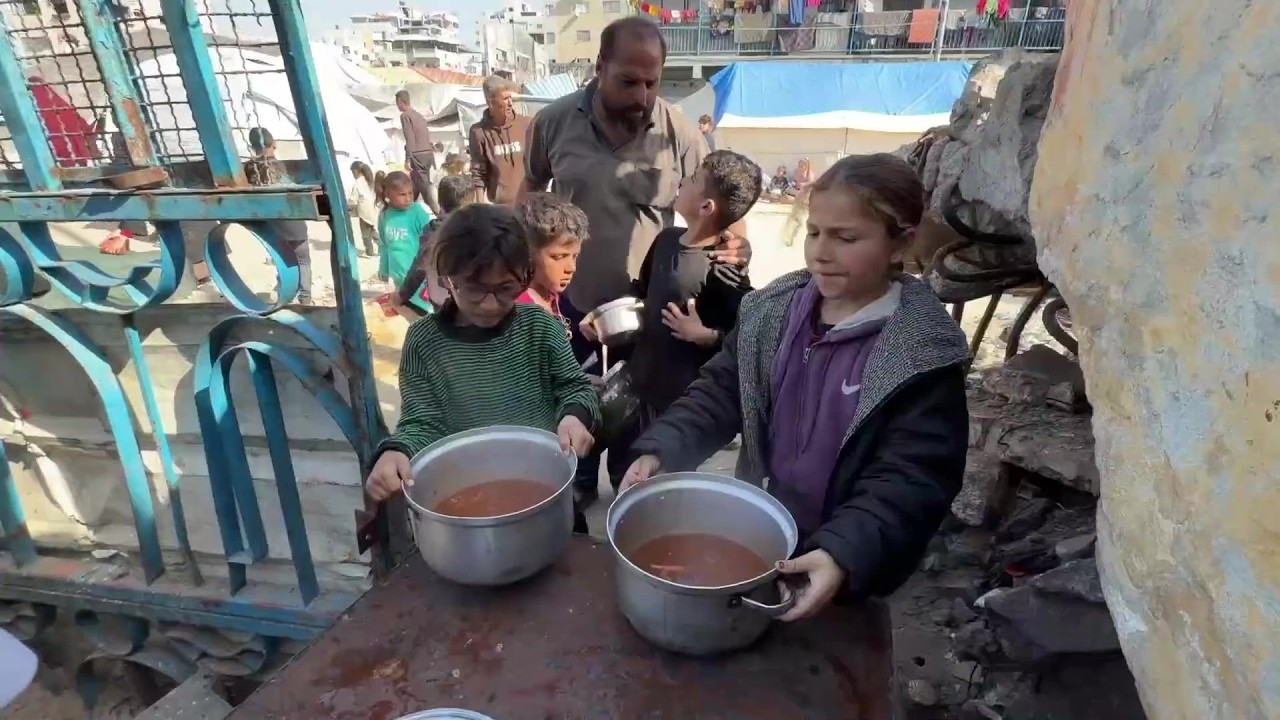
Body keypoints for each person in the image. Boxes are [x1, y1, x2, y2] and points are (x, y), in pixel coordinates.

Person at [620, 154, 970, 622]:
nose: (821, 253)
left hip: (851, 556)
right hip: (769, 530)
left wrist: (843, 554)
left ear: (900, 243)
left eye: (845, 238)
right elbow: (721, 391)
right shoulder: (773, 313)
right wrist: (663, 448)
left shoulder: (920, 354)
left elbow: (912, 478)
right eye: (814, 232)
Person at [521, 16, 752, 504]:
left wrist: (737, 245)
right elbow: (530, 192)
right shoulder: (553, 122)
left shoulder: (679, 132)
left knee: (634, 437)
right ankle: (577, 493)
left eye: (652, 82)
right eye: (629, 81)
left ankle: (626, 503)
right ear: (599, 67)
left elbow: (721, 209)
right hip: (573, 313)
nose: (642, 95)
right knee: (573, 424)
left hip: (646, 321)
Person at [364, 204, 599, 501]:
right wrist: (396, 451)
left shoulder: (540, 328)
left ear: (524, 277)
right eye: (474, 289)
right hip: (466, 492)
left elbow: (576, 388)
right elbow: (421, 422)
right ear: (446, 279)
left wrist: (574, 416)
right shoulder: (424, 341)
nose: (490, 304)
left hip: (544, 487)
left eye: (505, 288)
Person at [586, 149, 758, 489]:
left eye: (692, 179)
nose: (682, 181)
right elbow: (642, 291)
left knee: (659, 477)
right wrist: (602, 319)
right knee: (622, 464)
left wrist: (705, 334)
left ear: (706, 206)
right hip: (639, 380)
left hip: (679, 399)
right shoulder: (665, 240)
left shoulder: (723, 267)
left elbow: (746, 333)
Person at [244, 127, 312, 304]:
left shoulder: (248, 168)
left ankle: (285, 293)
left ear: (252, 146)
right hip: (294, 224)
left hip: (272, 226)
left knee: (283, 261)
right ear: (273, 144)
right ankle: (305, 297)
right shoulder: (282, 167)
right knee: (303, 261)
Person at [396, 174, 474, 314]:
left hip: (442, 300)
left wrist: (403, 295)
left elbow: (419, 266)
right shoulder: (477, 228)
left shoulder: (433, 230)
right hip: (472, 299)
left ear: (440, 201)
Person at [515, 192, 589, 332]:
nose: (571, 268)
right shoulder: (522, 314)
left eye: (575, 256)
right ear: (527, 253)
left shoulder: (550, 296)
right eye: (559, 257)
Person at [468, 75, 531, 205]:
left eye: (511, 98)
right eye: (505, 98)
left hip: (527, 205)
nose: (510, 103)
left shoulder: (526, 124)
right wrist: (480, 208)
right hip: (499, 207)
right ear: (491, 102)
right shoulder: (479, 132)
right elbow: (478, 174)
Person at [377, 170, 433, 288]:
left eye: (410, 193)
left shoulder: (417, 212)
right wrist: (384, 269)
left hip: (419, 276)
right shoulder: (384, 215)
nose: (408, 198)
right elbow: (384, 245)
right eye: (402, 194)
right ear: (388, 195)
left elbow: (429, 242)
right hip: (398, 275)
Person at [396, 89, 442, 215]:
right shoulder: (418, 115)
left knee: (424, 187)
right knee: (417, 183)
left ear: (400, 102)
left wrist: (408, 158)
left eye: (397, 103)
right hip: (427, 154)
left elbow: (410, 138)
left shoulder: (405, 116)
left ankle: (438, 213)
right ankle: (408, 209)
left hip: (418, 155)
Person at [348, 161, 380, 257]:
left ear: (357, 171)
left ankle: (369, 251)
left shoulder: (357, 183)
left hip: (364, 211)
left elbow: (353, 199)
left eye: (353, 172)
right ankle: (382, 247)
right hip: (373, 209)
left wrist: (348, 206)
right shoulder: (370, 181)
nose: (353, 175)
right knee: (373, 229)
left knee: (365, 233)